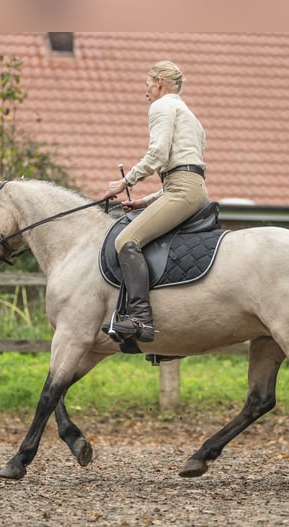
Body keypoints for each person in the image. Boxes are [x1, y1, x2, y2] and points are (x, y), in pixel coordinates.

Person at [102, 60, 210, 343]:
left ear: (159, 82)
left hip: (181, 192)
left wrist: (124, 182)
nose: (146, 91)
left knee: (126, 242)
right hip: (194, 190)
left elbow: (158, 156)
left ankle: (139, 317)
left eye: (147, 84)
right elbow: (185, 172)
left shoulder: (161, 107)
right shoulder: (190, 116)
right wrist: (143, 202)